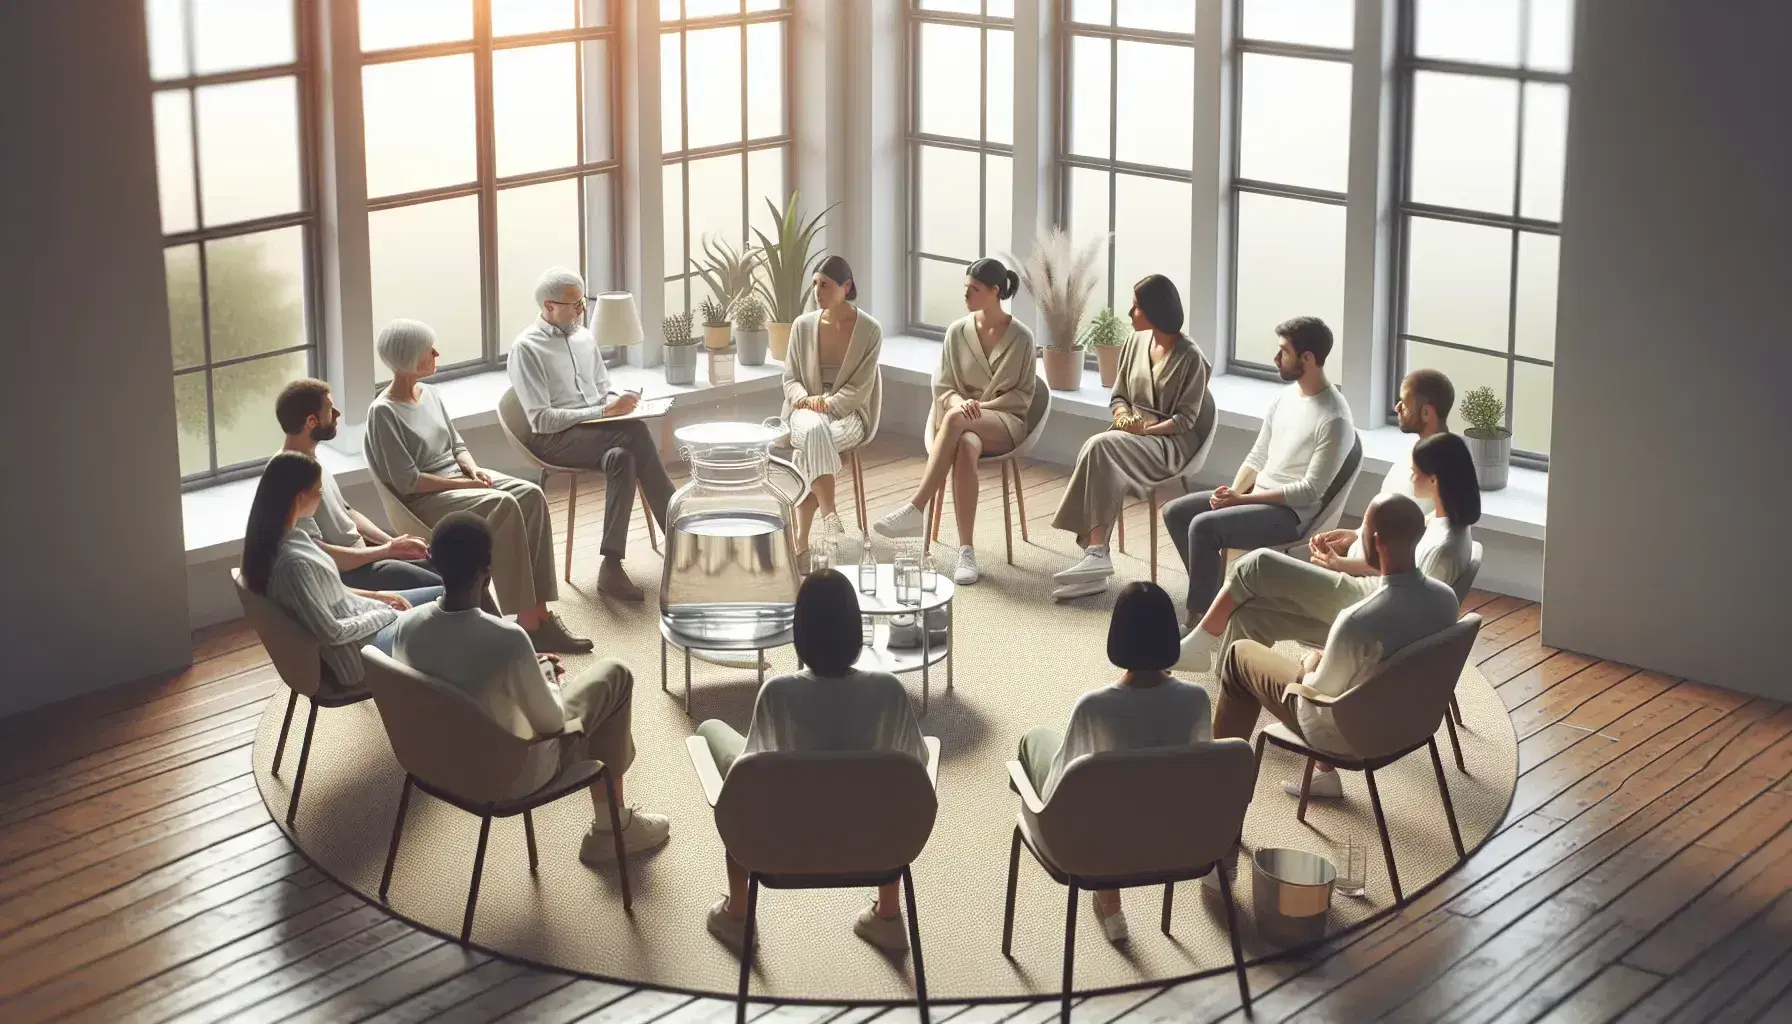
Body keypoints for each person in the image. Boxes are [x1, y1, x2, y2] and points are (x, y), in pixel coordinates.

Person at [390, 513, 671, 864]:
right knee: (615, 676)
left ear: (434, 563)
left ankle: (612, 825)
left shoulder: (408, 626)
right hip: (510, 774)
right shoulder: (506, 641)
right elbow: (552, 723)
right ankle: (612, 827)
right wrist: (548, 679)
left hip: (437, 762)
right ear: (486, 571)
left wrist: (528, 669)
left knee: (550, 684)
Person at [696, 571, 927, 957]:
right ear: (856, 631)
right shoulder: (888, 691)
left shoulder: (777, 694)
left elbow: (752, 780)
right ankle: (887, 916)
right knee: (887, 785)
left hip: (784, 841)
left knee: (719, 747)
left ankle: (738, 914)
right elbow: (915, 770)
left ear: (799, 633)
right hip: (873, 842)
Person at [1209, 493, 1458, 802]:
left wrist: (1311, 663)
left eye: (1363, 531)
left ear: (1377, 542)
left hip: (1343, 733)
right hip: (1407, 722)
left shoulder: (1358, 621)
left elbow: (1317, 696)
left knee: (1239, 656)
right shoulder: (1446, 599)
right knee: (1256, 622)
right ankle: (1313, 777)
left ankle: (1214, 780)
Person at [365, 318, 591, 654]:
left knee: (531, 494)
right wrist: (464, 483)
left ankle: (539, 615)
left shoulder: (429, 393)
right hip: (427, 497)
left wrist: (472, 469)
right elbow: (408, 482)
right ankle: (527, 620)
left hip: (457, 478)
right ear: (409, 356)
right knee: (504, 505)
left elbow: (456, 445)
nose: (436, 353)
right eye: (429, 350)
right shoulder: (383, 413)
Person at [1177, 431, 1479, 670]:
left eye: (1415, 472)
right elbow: (1404, 576)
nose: (1411, 478)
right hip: (1368, 598)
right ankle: (1227, 688)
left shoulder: (1444, 547)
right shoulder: (1442, 521)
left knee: (1257, 565)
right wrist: (1350, 542)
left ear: (1435, 479)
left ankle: (1199, 642)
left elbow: (1410, 609)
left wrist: (1340, 568)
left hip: (1366, 609)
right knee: (1251, 616)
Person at [1014, 581, 1212, 944]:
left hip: (1100, 839)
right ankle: (1109, 899)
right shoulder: (1197, 701)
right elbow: (1199, 771)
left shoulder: (1095, 708)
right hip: (1173, 836)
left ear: (1116, 637)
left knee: (1035, 741)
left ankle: (1111, 903)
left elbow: (1061, 786)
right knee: (1124, 788)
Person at [1160, 316, 1354, 619]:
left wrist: (1242, 500)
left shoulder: (1335, 418)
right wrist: (1232, 493)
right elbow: (1257, 455)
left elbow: (1309, 492)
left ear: (1308, 358)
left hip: (1290, 515)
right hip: (1255, 497)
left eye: (1284, 352)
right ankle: (1217, 599)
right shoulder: (1286, 397)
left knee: (1203, 526)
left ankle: (1202, 619)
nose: (1276, 358)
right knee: (1177, 512)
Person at [507, 268, 675, 602]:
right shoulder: (526, 349)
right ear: (549, 306)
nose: (582, 310)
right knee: (636, 435)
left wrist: (619, 402)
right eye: (574, 305)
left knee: (623, 457)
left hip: (597, 434)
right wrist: (603, 413)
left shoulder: (584, 337)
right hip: (553, 439)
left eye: (583, 301)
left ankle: (610, 567)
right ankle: (683, 537)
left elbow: (602, 390)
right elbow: (541, 420)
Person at [869, 258, 1037, 584]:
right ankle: (966, 551)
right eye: (965, 288)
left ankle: (916, 507)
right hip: (963, 421)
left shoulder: (1022, 338)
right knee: (966, 445)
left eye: (974, 289)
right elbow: (944, 386)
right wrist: (963, 403)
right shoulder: (957, 332)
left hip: (1004, 420)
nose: (966, 295)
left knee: (959, 420)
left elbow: (1023, 396)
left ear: (995, 291)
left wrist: (979, 406)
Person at [1049, 275, 1216, 601]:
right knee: (1101, 449)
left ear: (1156, 310)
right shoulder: (1134, 343)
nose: (1130, 313)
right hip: (1129, 436)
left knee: (1099, 446)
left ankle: (1096, 555)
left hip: (1169, 445)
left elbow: (1185, 421)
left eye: (1137, 306)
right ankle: (1097, 555)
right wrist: (1122, 417)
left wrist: (1145, 430)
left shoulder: (1192, 359)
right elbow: (1119, 396)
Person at [241, 451, 442, 689]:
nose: (321, 495)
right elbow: (331, 632)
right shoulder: (294, 564)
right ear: (299, 497)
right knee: (445, 621)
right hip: (356, 653)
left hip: (359, 617)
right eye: (318, 490)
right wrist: (384, 613)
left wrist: (379, 597)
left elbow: (333, 592)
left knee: (443, 594)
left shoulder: (291, 538)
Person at [780, 255, 883, 554]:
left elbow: (861, 386)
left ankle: (800, 544)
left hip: (848, 413)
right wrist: (805, 400)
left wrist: (826, 404)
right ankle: (829, 516)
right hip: (803, 409)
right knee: (813, 435)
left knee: (809, 450)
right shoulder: (802, 325)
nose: (817, 291)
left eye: (824, 285)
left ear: (846, 286)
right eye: (814, 284)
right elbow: (790, 379)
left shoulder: (870, 330)